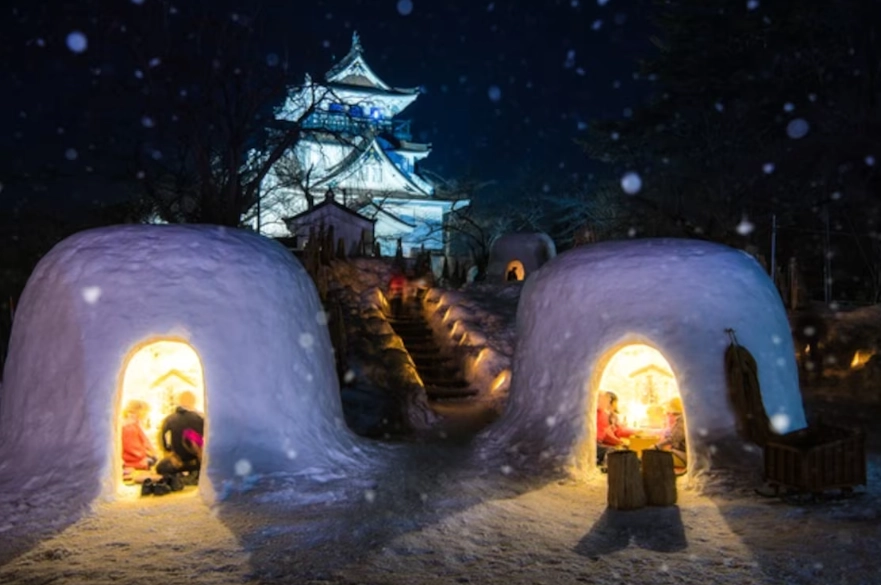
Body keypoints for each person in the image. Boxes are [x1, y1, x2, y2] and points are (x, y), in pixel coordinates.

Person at [156, 390, 204, 478]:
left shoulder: (169, 420)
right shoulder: (199, 418)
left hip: (176, 465)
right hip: (197, 464)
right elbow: (204, 442)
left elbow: (164, 443)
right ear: (194, 402)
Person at [121, 399, 158, 478]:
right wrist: (155, 453)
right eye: (146, 412)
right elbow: (147, 443)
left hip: (125, 460)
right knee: (155, 460)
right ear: (141, 411)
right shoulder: (135, 423)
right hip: (138, 460)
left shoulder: (122, 422)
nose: (147, 415)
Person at [596, 391, 631, 466]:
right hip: (597, 444)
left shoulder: (605, 414)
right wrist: (619, 442)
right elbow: (606, 435)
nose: (608, 401)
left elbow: (613, 432)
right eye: (607, 399)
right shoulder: (600, 414)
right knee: (615, 451)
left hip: (600, 443)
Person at [655, 396, 687, 471]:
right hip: (681, 452)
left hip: (682, 454)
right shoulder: (681, 419)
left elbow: (673, 438)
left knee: (655, 458)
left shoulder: (682, 420)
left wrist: (657, 446)